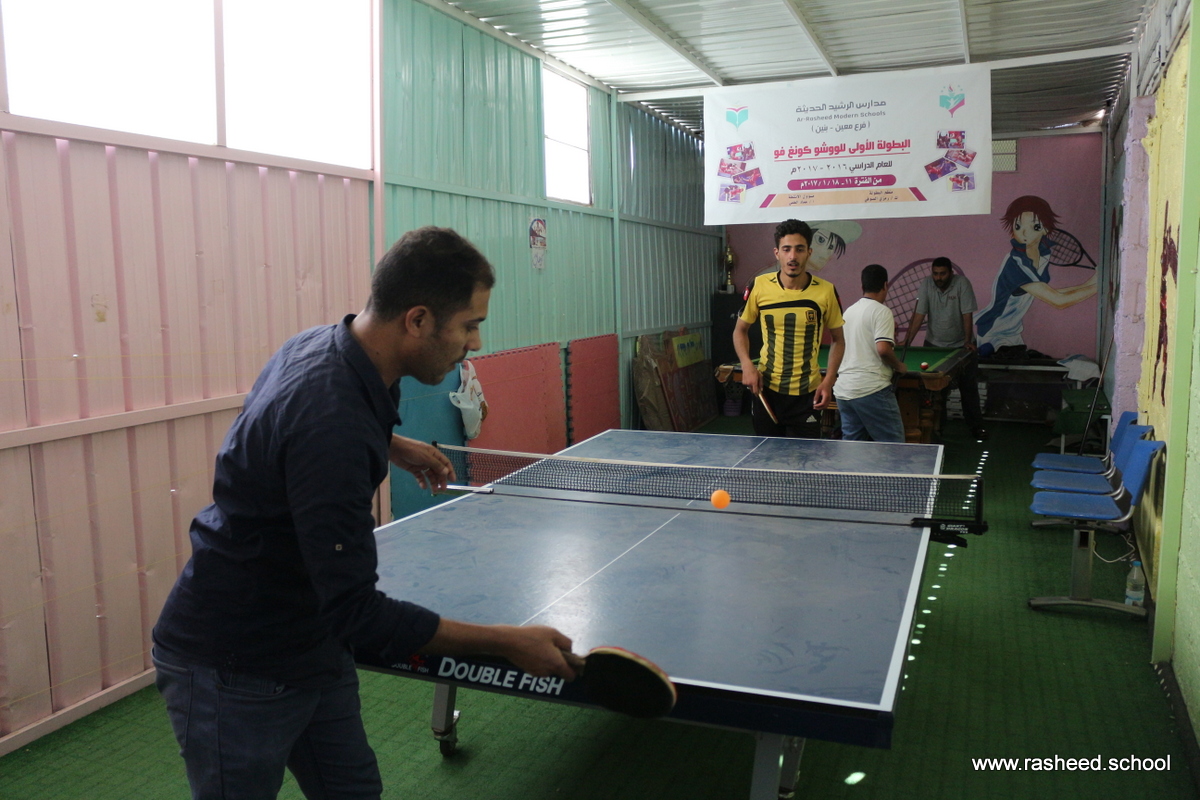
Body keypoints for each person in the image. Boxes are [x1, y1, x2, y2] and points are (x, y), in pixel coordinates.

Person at [152, 227, 576, 800]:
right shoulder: (333, 423)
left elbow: (280, 428)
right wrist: (505, 641)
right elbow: (359, 614)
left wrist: (389, 442)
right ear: (417, 320)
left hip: (311, 642)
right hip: (236, 661)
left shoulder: (323, 346)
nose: (475, 343)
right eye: (469, 325)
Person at [734, 218, 845, 438]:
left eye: (799, 249)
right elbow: (740, 330)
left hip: (808, 395)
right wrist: (746, 364)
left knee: (806, 457)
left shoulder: (826, 291)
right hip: (767, 392)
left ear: (809, 252)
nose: (793, 256)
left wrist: (829, 381)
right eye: (786, 249)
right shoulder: (759, 286)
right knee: (766, 455)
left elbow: (838, 339)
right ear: (777, 253)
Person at [976, 195, 1098, 357]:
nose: (1024, 232)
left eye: (1035, 226)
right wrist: (1098, 287)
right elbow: (1059, 301)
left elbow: (1054, 293)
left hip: (1013, 332)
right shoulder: (1016, 265)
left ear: (1045, 229)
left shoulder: (1042, 254)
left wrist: (1093, 282)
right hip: (992, 334)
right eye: (1018, 226)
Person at [902, 256, 987, 441]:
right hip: (934, 345)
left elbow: (967, 314)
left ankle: (977, 428)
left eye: (942, 274)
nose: (938, 277)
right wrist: (907, 341)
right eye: (935, 274)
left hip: (961, 345)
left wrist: (967, 341)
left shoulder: (962, 284)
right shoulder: (927, 284)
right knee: (934, 393)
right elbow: (919, 314)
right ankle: (937, 430)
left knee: (969, 390)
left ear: (951, 273)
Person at [834, 264, 907, 443]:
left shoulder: (849, 312)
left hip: (844, 390)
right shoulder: (882, 311)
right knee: (894, 448)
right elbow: (883, 349)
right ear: (885, 285)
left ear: (862, 286)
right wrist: (899, 366)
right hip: (871, 389)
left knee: (853, 448)